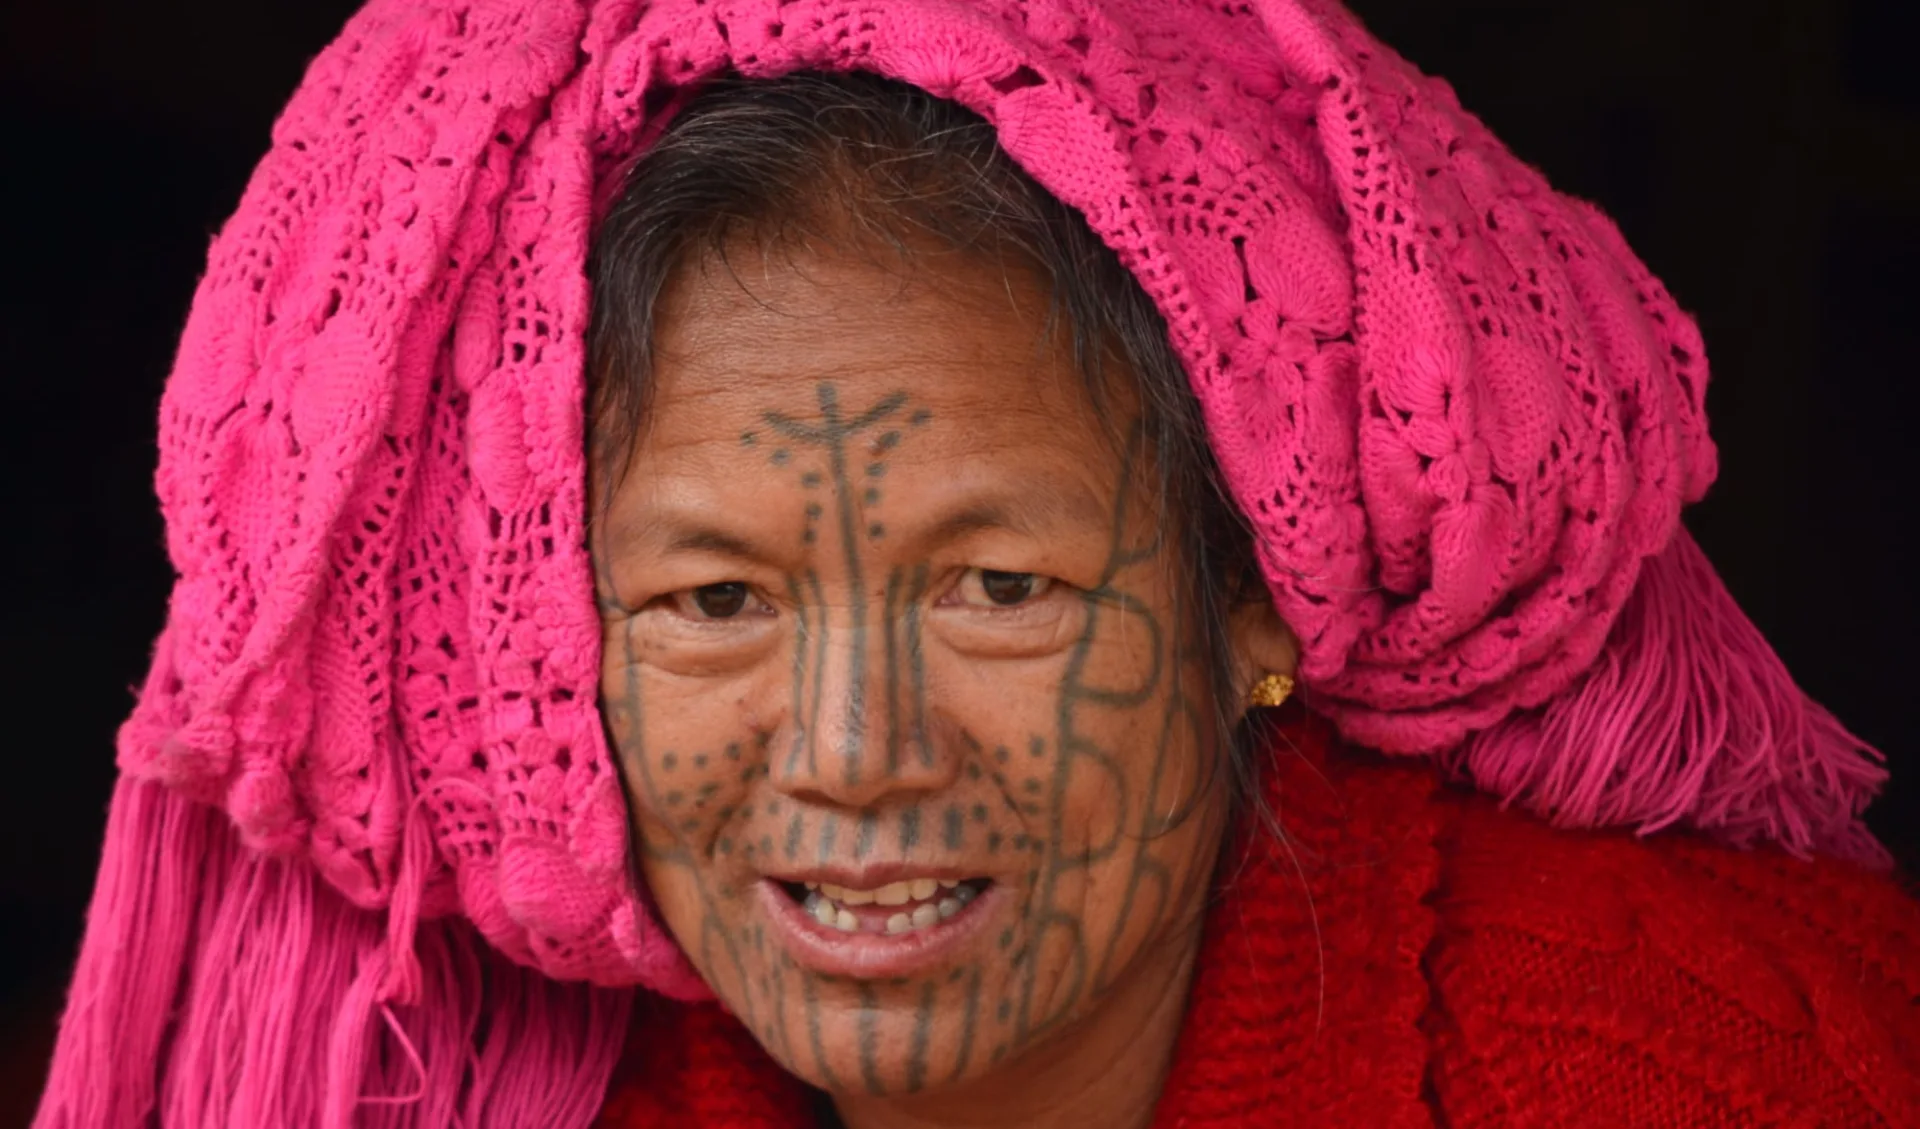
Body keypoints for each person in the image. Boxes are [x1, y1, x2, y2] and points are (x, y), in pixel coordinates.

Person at [32, 2, 1919, 1127]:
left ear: (1262, 590)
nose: (854, 753)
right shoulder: (548, 1101)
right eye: (713, 602)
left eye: (997, 587)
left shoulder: (1680, 1071)